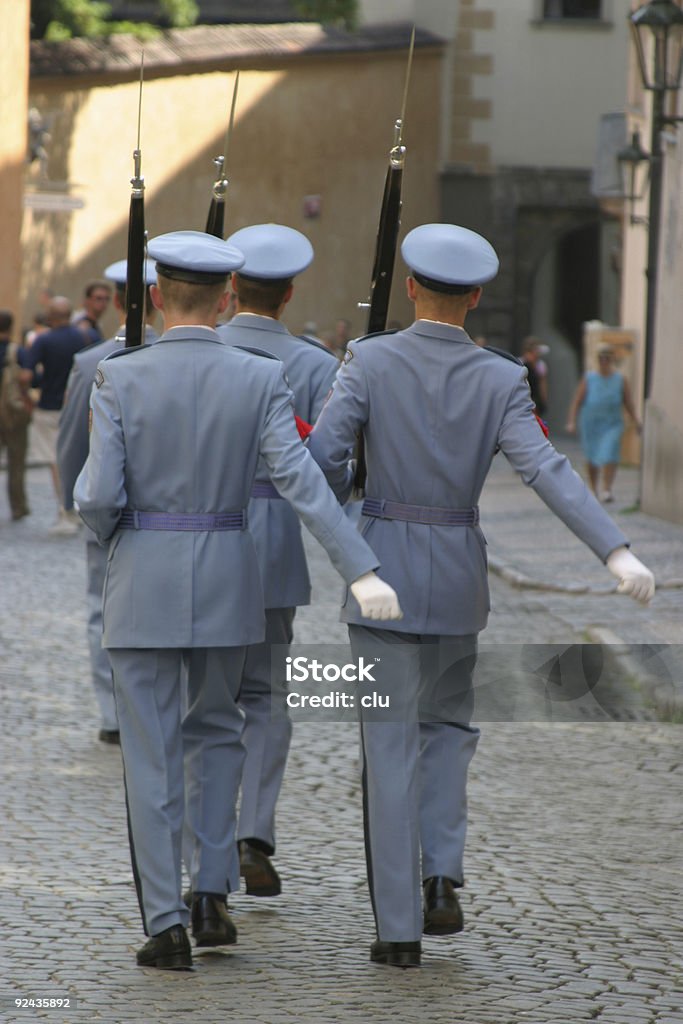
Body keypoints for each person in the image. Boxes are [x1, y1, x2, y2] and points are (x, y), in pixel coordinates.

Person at [307, 223, 655, 969]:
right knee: (447, 736)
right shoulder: (500, 377)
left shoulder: (367, 360)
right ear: (475, 296)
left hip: (381, 562)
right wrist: (614, 548)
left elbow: (322, 463)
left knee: (389, 744)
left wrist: (345, 499)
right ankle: (441, 874)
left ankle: (398, 930)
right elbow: (547, 470)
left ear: (408, 288)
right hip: (459, 574)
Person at [73, 230, 401, 972]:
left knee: (152, 757)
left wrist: (119, 534)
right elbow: (304, 486)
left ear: (155, 296)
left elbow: (97, 496)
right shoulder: (259, 376)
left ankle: (164, 923)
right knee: (219, 735)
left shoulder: (120, 375)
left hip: (145, 578)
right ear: (225, 300)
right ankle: (212, 892)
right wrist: (360, 568)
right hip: (230, 572)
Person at [217, 223, 339, 898]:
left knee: (203, 701)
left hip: (202, 539)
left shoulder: (202, 351)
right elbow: (327, 471)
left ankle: (207, 849)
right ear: (289, 294)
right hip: (276, 547)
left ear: (231, 287)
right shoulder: (317, 365)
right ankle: (252, 832)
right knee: (265, 697)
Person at [57, 258, 158, 745]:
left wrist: (72, 500)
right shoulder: (182, 357)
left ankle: (114, 715)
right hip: (169, 510)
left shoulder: (90, 361)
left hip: (106, 508)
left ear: (118, 301)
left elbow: (72, 440)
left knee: (103, 611)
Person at [23, 296, 86, 534]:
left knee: (55, 460)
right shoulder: (82, 337)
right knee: (76, 455)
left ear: (50, 316)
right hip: (75, 404)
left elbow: (25, 376)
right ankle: (76, 505)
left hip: (50, 404)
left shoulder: (43, 340)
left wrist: (28, 397)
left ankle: (65, 508)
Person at [566, 344, 641, 502]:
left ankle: (607, 488)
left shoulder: (620, 379)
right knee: (592, 457)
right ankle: (594, 489)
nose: (604, 361)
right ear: (598, 360)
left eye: (607, 358)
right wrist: (571, 421)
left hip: (612, 423)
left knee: (610, 453)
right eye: (601, 358)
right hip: (591, 423)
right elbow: (577, 401)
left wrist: (636, 419)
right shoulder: (589, 378)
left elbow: (628, 402)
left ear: (612, 360)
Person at [0, 311, 32, 521]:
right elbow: (28, 377)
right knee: (16, 462)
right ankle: (18, 506)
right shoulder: (16, 351)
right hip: (13, 413)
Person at [71, 279, 112, 345]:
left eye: (107, 299)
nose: (103, 302)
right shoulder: (79, 323)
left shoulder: (97, 323)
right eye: (99, 298)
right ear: (87, 300)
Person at [521, 336, 549, 418]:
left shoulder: (539, 365)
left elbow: (542, 385)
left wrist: (543, 401)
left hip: (535, 400)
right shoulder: (521, 364)